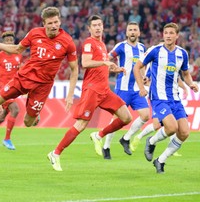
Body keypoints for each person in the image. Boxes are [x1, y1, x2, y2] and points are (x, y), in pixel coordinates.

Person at [0, 6, 79, 138]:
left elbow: (74, 69)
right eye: (50, 23)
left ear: (60, 21)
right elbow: (18, 49)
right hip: (23, 78)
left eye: (56, 22)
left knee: (29, 122)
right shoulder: (34, 33)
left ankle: (33, 108)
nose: (54, 26)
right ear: (44, 24)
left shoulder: (67, 41)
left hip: (43, 86)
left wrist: (70, 95)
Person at [47, 15, 132, 171]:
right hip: (92, 89)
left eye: (100, 24)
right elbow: (85, 63)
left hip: (105, 90)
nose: (98, 27)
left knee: (126, 117)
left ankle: (99, 135)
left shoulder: (102, 44)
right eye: (94, 25)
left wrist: (114, 68)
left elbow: (102, 66)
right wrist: (104, 62)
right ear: (89, 28)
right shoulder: (89, 43)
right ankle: (55, 153)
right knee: (81, 124)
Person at [133, 22, 198, 173]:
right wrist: (142, 88)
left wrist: (191, 84)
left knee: (184, 133)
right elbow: (137, 67)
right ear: (163, 35)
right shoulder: (155, 51)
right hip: (158, 97)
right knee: (171, 127)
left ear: (177, 36)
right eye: (166, 33)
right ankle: (151, 141)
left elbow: (186, 74)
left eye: (171, 33)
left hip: (175, 98)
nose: (168, 36)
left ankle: (160, 160)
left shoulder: (182, 53)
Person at [101, 21, 150, 159]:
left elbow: (142, 66)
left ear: (139, 32)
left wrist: (144, 76)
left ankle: (126, 138)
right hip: (122, 89)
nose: (133, 32)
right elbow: (107, 58)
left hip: (137, 89)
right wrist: (114, 68)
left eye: (135, 30)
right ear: (126, 32)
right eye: (130, 30)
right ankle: (106, 146)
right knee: (117, 119)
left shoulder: (142, 47)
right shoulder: (121, 46)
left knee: (145, 115)